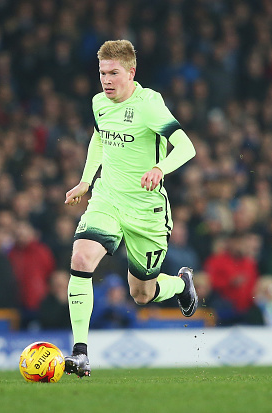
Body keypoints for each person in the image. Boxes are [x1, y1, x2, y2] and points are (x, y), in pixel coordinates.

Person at [63, 40, 197, 377]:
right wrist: (85, 180)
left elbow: (187, 147)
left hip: (146, 212)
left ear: (131, 73)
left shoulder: (150, 105)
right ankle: (80, 353)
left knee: (142, 293)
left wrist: (160, 168)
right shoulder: (98, 104)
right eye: (101, 74)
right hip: (106, 200)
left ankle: (181, 285)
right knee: (81, 259)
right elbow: (99, 137)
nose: (106, 81)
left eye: (113, 73)